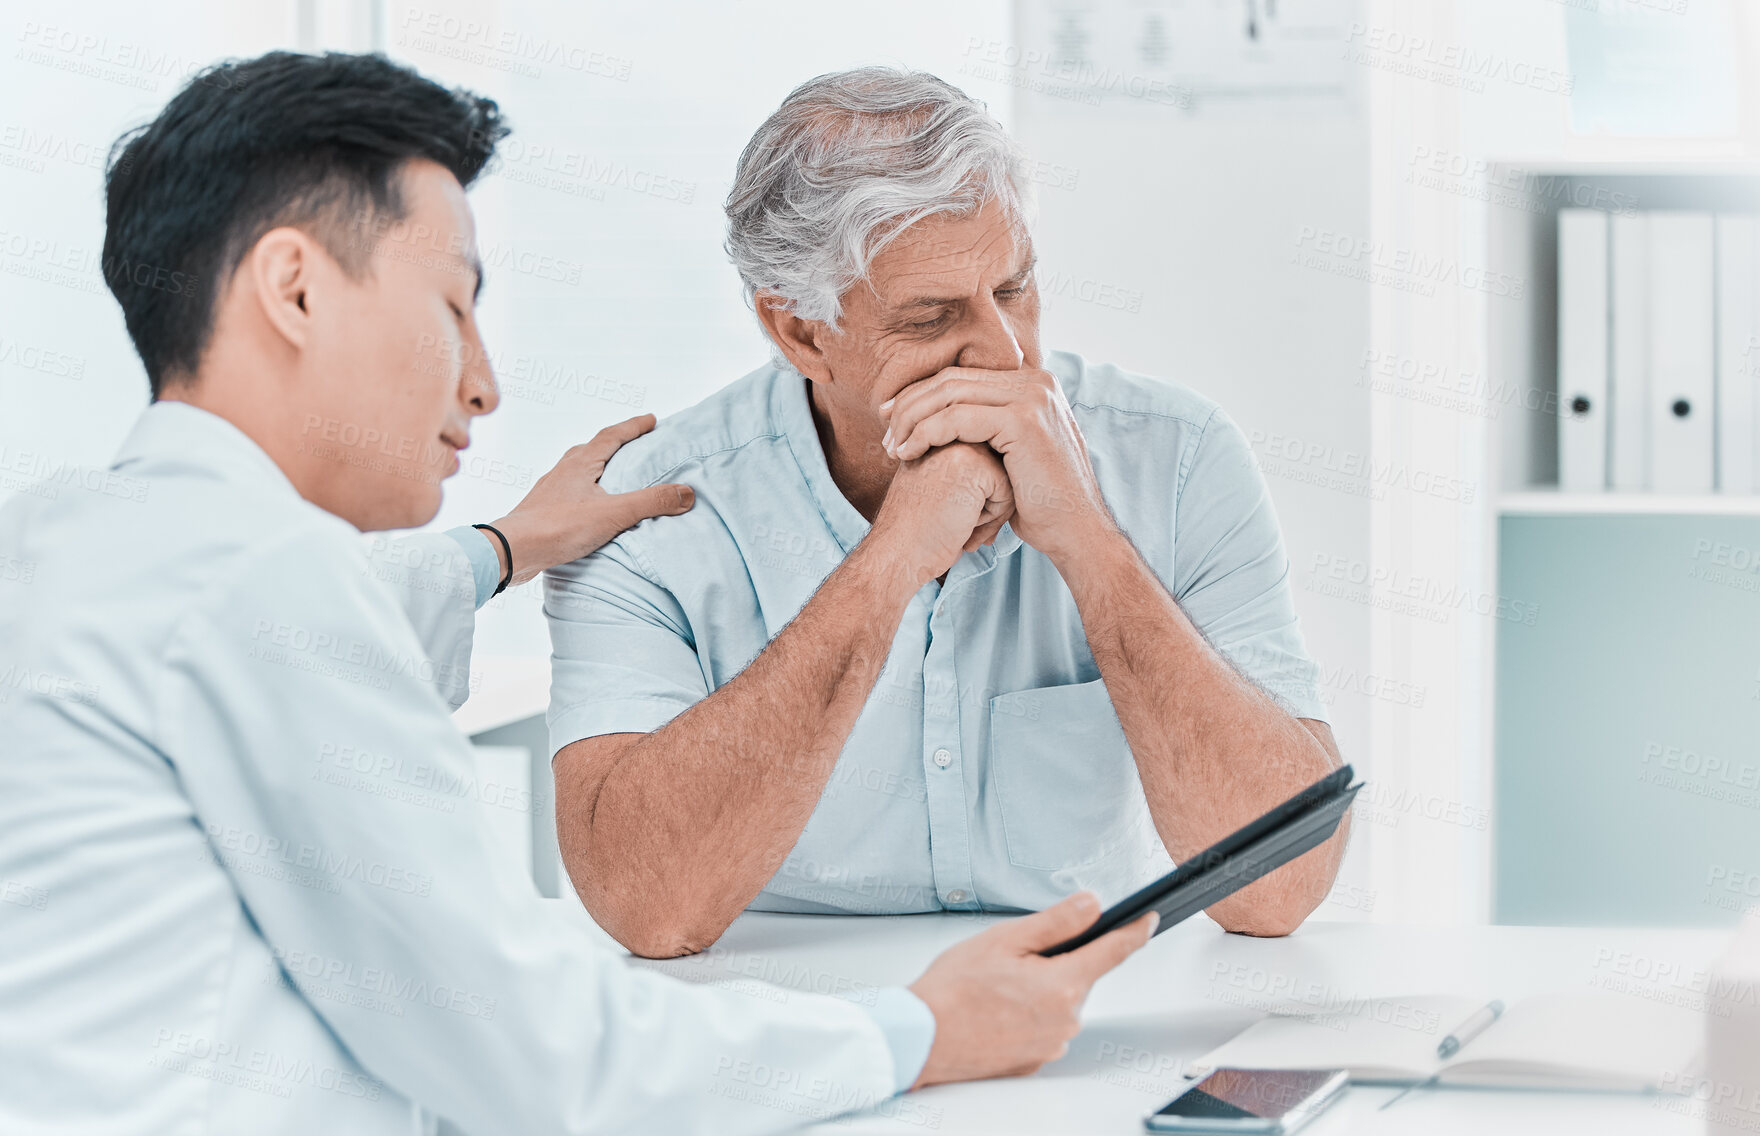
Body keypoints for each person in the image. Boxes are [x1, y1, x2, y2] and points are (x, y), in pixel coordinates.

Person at [0, 51, 1152, 1135]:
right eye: (453, 305)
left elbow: (321, 615)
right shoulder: (261, 579)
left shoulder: (68, 538)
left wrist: (504, 546)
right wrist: (921, 1027)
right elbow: (538, 1052)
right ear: (294, 289)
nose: (485, 382)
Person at [547, 67, 1350, 960]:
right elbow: (647, 911)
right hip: (776, 1022)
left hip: (1095, 1007)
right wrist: (891, 560)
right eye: (933, 318)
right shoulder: (651, 513)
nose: (1005, 352)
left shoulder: (1177, 455)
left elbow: (1281, 889)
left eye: (1014, 290)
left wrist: (1087, 539)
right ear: (800, 334)